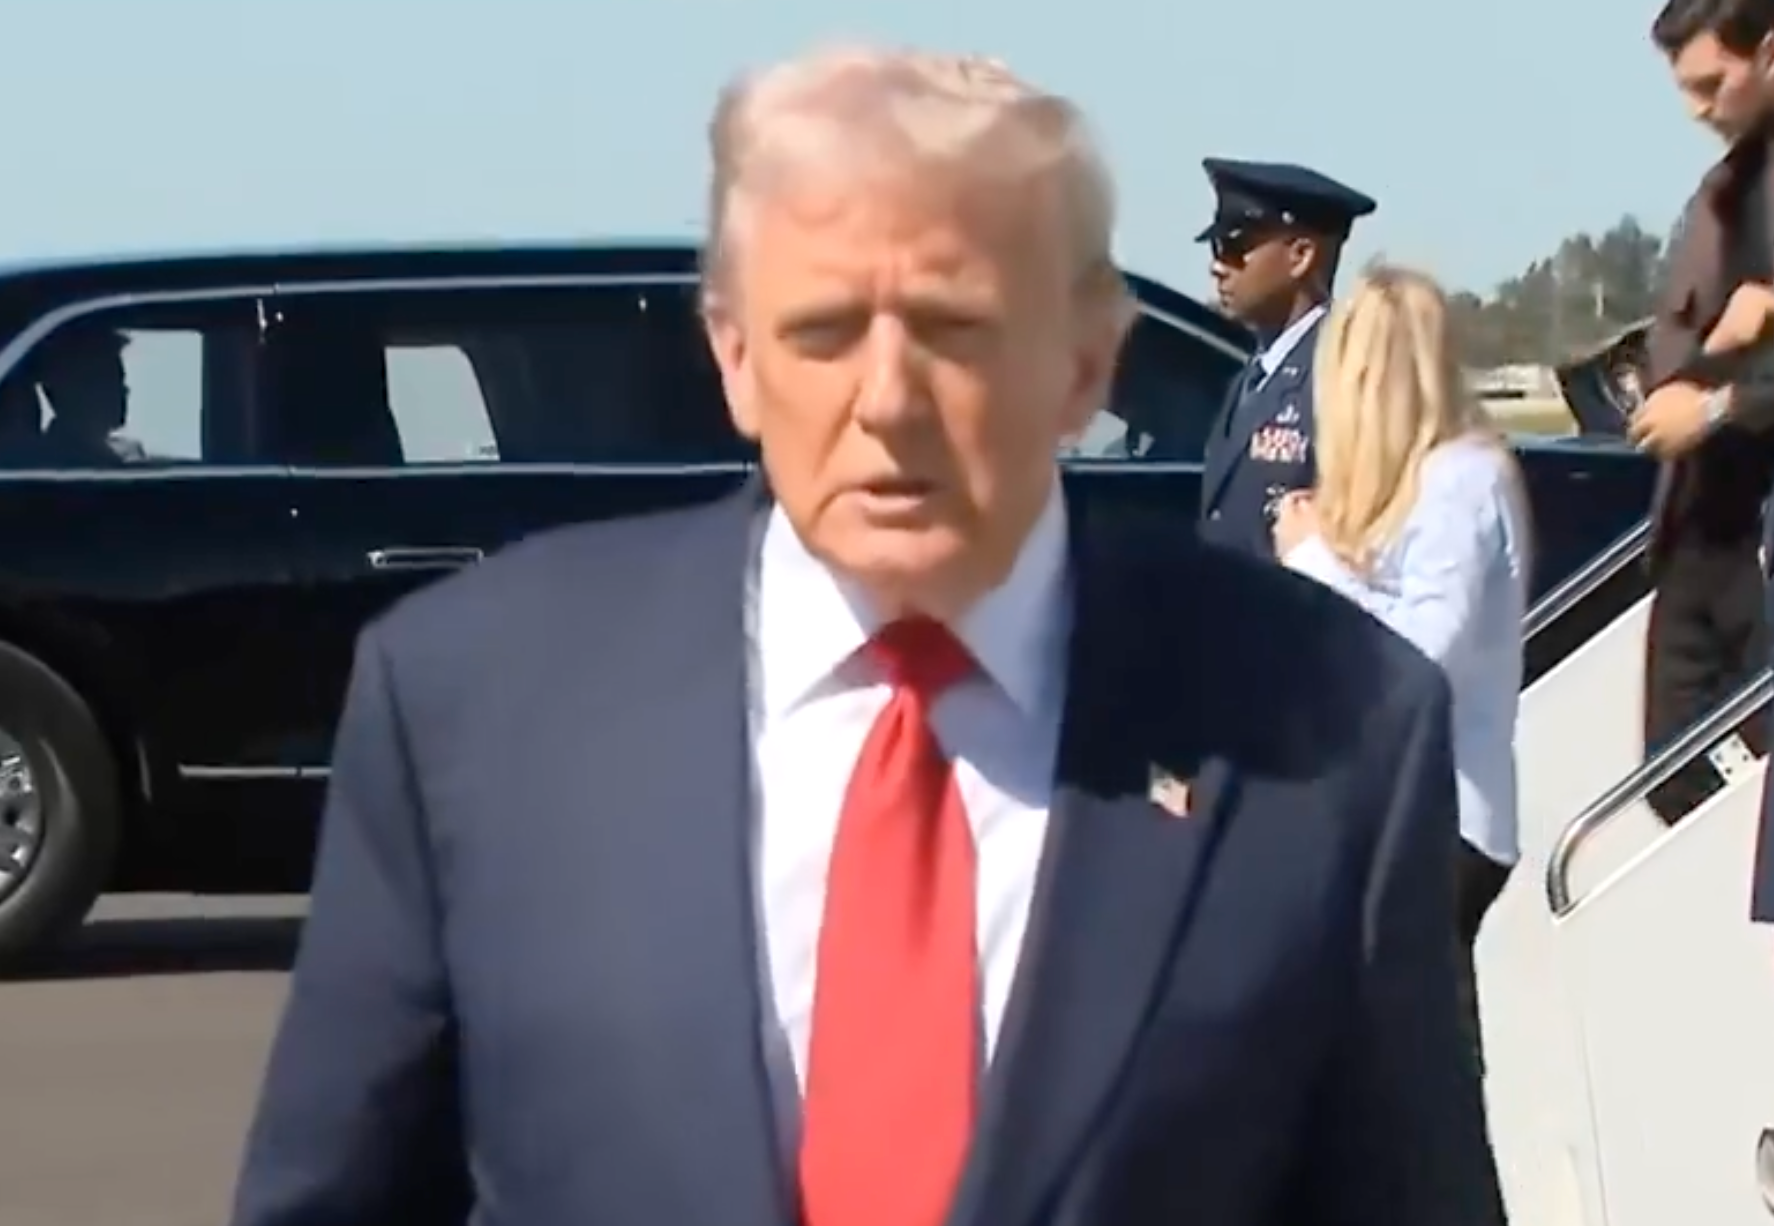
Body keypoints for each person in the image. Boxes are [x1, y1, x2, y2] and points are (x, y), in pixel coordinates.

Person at [230, 45, 1493, 1226]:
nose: (886, 402)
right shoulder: (471, 704)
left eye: (955, 327)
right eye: (823, 329)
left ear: (1085, 360)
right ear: (732, 353)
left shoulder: (1332, 728)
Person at [1274, 266, 1529, 1224]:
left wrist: (1314, 562)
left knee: (1431, 1090)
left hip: (1439, 825)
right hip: (1420, 819)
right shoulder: (1445, 481)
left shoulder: (1460, 481)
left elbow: (1422, 653)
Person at [1635, 0, 1774, 823]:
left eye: (1712, 84)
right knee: (1676, 782)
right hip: (1699, 532)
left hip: (1756, 532)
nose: (1697, 110)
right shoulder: (1726, 192)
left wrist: (1717, 404)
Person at [1195, 157, 1375, 558]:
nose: (1217, 267)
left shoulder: (1342, 375)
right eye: (1216, 248)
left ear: (1300, 256)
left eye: (1236, 248)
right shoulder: (1252, 377)